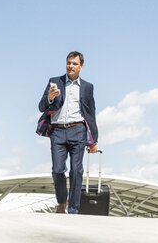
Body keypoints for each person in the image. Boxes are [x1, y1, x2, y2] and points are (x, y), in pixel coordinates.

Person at [36, 51, 98, 214]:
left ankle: (73, 208)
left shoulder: (87, 87)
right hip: (57, 132)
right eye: (69, 62)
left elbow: (91, 113)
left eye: (75, 63)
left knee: (76, 170)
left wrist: (93, 140)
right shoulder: (54, 82)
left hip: (78, 130)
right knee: (57, 170)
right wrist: (49, 98)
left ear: (81, 66)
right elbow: (42, 107)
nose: (71, 66)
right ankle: (62, 202)